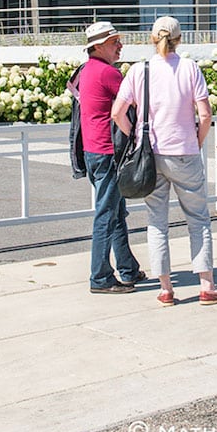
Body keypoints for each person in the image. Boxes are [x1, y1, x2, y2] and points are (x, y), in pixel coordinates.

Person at [112, 16, 217, 307]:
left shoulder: (139, 70)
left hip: (151, 155)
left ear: (152, 39)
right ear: (180, 39)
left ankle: (166, 289)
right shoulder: (190, 68)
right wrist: (197, 140)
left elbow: (117, 113)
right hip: (185, 152)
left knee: (156, 222)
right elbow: (205, 115)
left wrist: (135, 139)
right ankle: (207, 285)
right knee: (198, 220)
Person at [78, 21, 146, 295]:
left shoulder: (86, 71)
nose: (120, 45)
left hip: (94, 151)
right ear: (98, 46)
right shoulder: (108, 73)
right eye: (114, 42)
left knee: (115, 212)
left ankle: (128, 268)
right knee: (107, 214)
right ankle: (100, 277)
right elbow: (137, 103)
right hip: (108, 153)